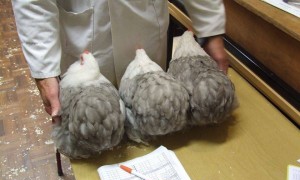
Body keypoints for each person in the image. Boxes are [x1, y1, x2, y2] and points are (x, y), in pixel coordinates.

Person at [11, 0, 229, 122]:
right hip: (82, 41)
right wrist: (44, 70)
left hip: (145, 33)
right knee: (91, 127)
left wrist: (210, 27)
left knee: (154, 116)